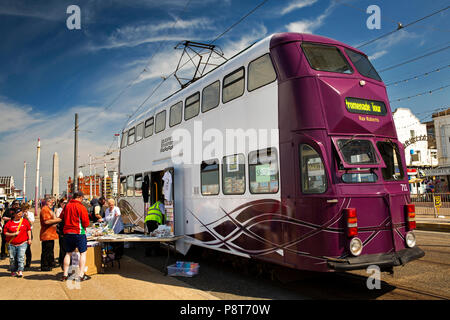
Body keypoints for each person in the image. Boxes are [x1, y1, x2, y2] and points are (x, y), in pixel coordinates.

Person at [60, 191, 91, 282]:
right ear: (80, 197)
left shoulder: (67, 206)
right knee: (83, 253)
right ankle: (81, 275)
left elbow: (61, 217)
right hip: (78, 232)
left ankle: (65, 274)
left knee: (68, 253)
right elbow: (85, 222)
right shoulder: (81, 207)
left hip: (67, 232)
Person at [3, 207, 32, 277]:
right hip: (11, 244)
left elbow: (28, 230)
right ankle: (13, 270)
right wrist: (13, 234)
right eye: (19, 214)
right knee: (12, 258)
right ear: (14, 215)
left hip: (22, 243)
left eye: (21, 214)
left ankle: (20, 270)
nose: (20, 215)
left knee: (20, 257)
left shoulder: (24, 221)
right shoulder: (9, 223)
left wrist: (29, 239)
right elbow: (5, 232)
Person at [40, 197, 61, 271]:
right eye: (51, 202)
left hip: (50, 234)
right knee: (46, 251)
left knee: (50, 250)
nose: (53, 204)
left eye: (54, 202)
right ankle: (45, 265)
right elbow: (46, 221)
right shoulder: (45, 209)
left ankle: (50, 263)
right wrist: (58, 220)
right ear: (47, 202)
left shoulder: (49, 209)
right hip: (47, 234)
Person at [21, 203, 34, 269]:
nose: (24, 211)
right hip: (21, 232)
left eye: (26, 209)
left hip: (28, 232)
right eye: (23, 209)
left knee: (27, 248)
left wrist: (27, 218)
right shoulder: (20, 214)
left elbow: (31, 223)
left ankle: (28, 263)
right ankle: (20, 263)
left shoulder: (31, 214)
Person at [56, 198, 67, 268]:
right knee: (62, 247)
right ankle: (62, 261)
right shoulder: (59, 210)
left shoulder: (67, 210)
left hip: (66, 232)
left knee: (65, 248)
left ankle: (62, 261)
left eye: (66, 203)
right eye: (64, 203)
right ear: (61, 203)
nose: (65, 204)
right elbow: (58, 220)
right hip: (62, 231)